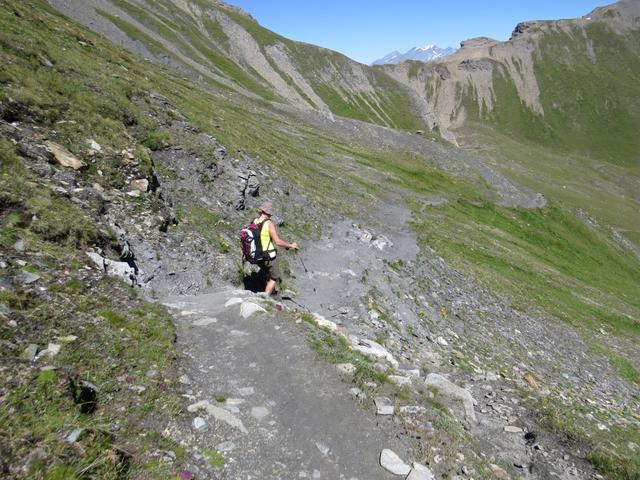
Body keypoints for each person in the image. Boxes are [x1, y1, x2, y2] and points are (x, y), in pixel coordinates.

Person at [254, 201, 298, 296]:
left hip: (257, 255)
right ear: (269, 212)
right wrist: (291, 245)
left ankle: (271, 293)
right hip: (268, 255)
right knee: (274, 277)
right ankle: (265, 299)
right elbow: (277, 241)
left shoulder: (255, 221)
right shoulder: (268, 223)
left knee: (268, 274)